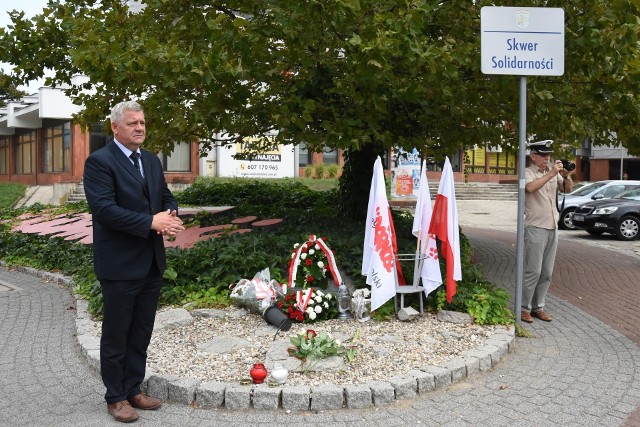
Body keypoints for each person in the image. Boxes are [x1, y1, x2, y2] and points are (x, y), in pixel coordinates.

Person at [83, 100, 185, 422]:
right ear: (115, 127)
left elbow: (165, 195)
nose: (140, 128)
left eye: (142, 122)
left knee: (141, 331)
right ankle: (115, 397)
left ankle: (133, 388)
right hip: (119, 264)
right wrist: (150, 222)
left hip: (151, 261)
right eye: (132, 123)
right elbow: (104, 210)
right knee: (117, 333)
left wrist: (170, 215)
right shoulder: (99, 162)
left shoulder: (152, 161)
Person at [521, 140, 573, 323]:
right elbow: (530, 188)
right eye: (543, 155)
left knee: (547, 272)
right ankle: (524, 308)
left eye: (549, 155)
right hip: (536, 227)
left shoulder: (553, 173)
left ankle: (538, 308)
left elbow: (567, 188)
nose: (547, 158)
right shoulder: (527, 173)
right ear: (533, 156)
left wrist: (566, 176)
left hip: (553, 227)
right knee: (532, 271)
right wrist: (552, 173)